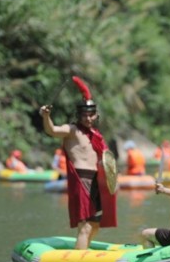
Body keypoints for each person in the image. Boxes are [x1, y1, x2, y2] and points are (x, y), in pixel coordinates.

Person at [39, 76, 117, 250]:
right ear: (79, 115)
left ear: (96, 115)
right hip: (81, 179)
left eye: (91, 115)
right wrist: (46, 116)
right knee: (85, 225)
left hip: (97, 180)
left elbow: (107, 162)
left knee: (96, 223)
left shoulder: (96, 134)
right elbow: (52, 130)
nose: (88, 119)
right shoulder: (72, 130)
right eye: (85, 115)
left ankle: (84, 252)